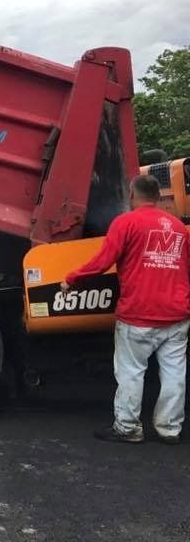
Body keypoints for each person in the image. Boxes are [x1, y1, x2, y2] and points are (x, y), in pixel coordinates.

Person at [62, 174, 190, 444]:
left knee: (131, 371)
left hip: (138, 314)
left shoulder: (126, 223)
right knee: (174, 373)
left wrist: (72, 278)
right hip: (177, 314)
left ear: (132, 194)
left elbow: (102, 261)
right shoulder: (179, 228)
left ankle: (128, 427)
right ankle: (170, 429)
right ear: (158, 196)